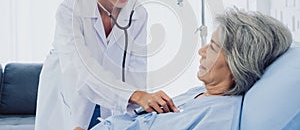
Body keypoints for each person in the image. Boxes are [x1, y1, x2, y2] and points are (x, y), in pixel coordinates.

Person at [35, 0, 177, 130]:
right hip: (69, 98)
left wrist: (138, 111)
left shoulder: (138, 14)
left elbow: (136, 72)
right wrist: (134, 95)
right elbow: (80, 70)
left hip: (111, 100)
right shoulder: (70, 11)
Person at [90, 8, 292, 130]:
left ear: (237, 64)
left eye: (212, 47)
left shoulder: (218, 117)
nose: (201, 51)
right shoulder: (200, 93)